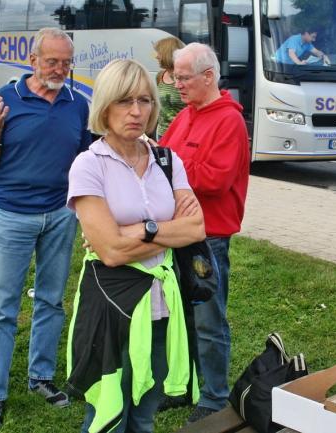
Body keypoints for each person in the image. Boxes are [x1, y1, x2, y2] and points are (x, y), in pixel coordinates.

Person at [65, 58, 206, 433]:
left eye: (144, 101)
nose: (136, 111)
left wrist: (135, 230)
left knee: (145, 414)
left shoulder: (167, 160)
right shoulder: (89, 165)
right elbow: (109, 251)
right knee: (107, 414)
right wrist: (164, 230)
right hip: (112, 305)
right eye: (124, 101)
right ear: (105, 106)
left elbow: (195, 228)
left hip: (162, 306)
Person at [0, 28, 92, 430]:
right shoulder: (3, 101)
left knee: (50, 301)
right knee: (2, 309)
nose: (59, 69)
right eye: (51, 61)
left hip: (60, 216)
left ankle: (40, 377)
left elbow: (84, 165)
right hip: (11, 216)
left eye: (66, 62)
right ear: (33, 60)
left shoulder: (78, 104)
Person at [159, 42, 250, 422]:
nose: (175, 84)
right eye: (174, 77)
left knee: (209, 321)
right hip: (179, 234)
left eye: (182, 77)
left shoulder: (228, 120)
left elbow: (214, 179)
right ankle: (183, 386)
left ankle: (213, 397)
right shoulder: (187, 115)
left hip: (208, 240)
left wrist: (173, 169)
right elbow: (162, 155)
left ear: (208, 77)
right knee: (179, 317)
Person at [153, 36, 186, 139]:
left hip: (181, 134)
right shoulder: (160, 76)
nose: (156, 56)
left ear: (167, 54)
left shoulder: (185, 77)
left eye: (159, 53)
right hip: (162, 133)